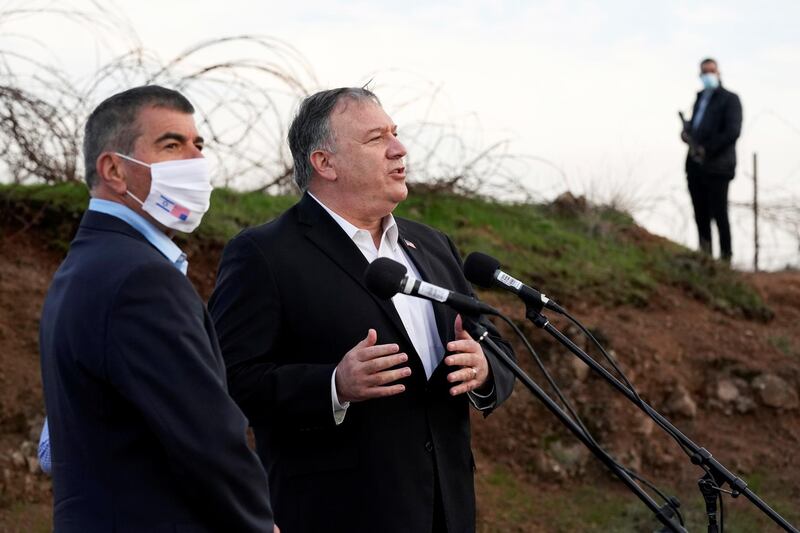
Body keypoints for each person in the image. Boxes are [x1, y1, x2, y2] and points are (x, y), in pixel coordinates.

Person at [209, 87, 516, 533]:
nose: (399, 148)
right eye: (376, 139)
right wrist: (334, 385)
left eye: (395, 133)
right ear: (324, 163)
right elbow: (228, 380)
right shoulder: (264, 253)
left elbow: (494, 343)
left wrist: (484, 369)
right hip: (336, 511)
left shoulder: (432, 244)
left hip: (446, 511)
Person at [39, 85, 275, 532]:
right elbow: (206, 436)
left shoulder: (87, 264)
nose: (195, 161)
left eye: (198, 145)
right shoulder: (139, 279)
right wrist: (260, 524)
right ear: (114, 169)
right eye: (171, 144)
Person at [681, 57, 742, 261]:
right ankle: (705, 255)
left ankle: (725, 258)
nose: (708, 75)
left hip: (718, 166)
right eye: (704, 72)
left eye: (711, 71)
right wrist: (687, 134)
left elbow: (732, 132)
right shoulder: (700, 99)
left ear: (718, 73)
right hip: (695, 165)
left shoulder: (730, 100)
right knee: (700, 212)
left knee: (719, 213)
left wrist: (707, 149)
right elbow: (696, 129)